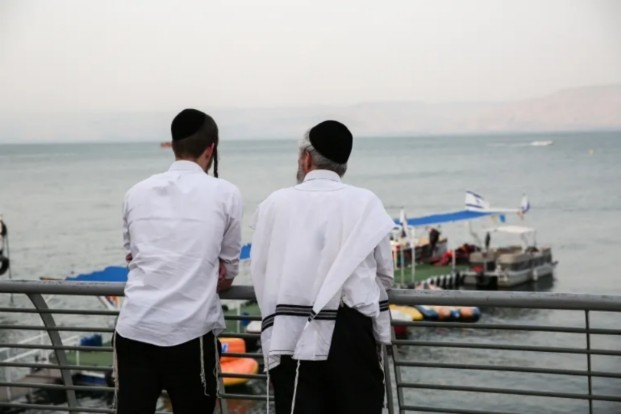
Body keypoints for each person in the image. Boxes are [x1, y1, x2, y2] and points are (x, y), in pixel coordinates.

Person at [251, 120, 394, 414]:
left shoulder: (274, 204)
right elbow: (385, 275)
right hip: (352, 331)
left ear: (306, 158)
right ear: (343, 164)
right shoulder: (366, 202)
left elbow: (261, 271)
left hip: (290, 330)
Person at [114, 109, 242, 414]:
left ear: (173, 146)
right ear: (210, 149)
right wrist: (206, 270)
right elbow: (228, 275)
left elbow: (133, 258)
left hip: (134, 330)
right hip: (191, 335)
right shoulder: (226, 194)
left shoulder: (136, 192)